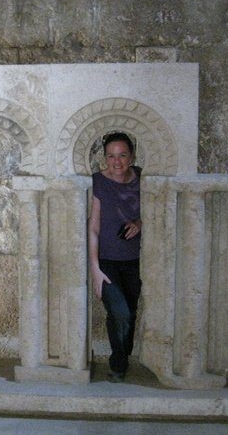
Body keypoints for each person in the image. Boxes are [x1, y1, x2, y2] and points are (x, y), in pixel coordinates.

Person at [88, 132, 142, 383]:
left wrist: (139, 223)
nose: (117, 161)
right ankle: (118, 363)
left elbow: (157, 210)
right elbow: (94, 227)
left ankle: (123, 357)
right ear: (105, 158)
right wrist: (95, 269)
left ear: (131, 157)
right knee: (119, 312)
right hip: (107, 260)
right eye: (111, 156)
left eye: (122, 155)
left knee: (130, 312)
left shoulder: (143, 178)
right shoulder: (98, 181)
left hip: (136, 260)